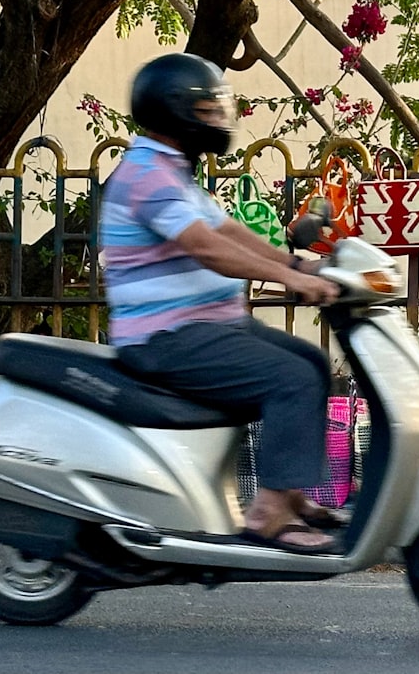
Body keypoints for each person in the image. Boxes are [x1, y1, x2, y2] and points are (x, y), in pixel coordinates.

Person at [99, 53, 341, 554]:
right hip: (166, 337)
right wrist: (287, 279)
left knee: (311, 363)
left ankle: (289, 493)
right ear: (176, 113)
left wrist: (297, 265)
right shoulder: (146, 174)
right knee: (289, 379)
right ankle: (268, 514)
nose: (217, 119)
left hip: (207, 326)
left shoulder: (174, 171)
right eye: (207, 110)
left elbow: (227, 230)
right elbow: (205, 247)